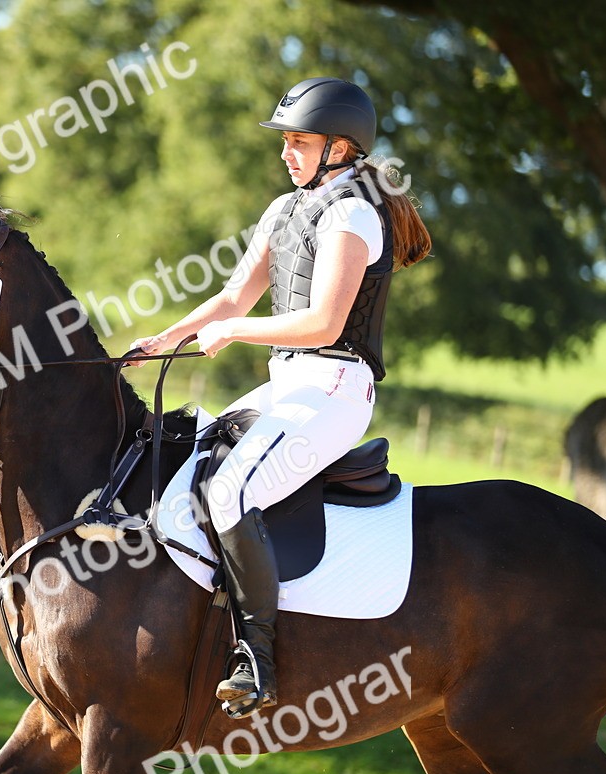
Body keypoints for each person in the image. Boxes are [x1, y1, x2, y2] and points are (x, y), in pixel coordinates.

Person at [131, 77, 431, 716]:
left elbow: (322, 323)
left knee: (228, 488)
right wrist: (165, 338)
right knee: (193, 465)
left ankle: (257, 662)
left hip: (336, 388)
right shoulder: (285, 209)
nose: (286, 153)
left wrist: (233, 332)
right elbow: (232, 297)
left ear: (341, 148)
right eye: (286, 141)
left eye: (299, 141)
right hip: (289, 384)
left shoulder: (353, 213)